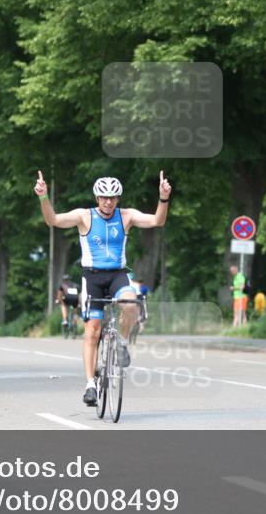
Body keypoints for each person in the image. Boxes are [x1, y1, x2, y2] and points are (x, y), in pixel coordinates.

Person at [35, 170, 171, 407]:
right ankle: (90, 385)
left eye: (113, 197)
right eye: (104, 197)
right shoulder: (84, 216)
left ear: (118, 199)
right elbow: (53, 220)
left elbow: (158, 221)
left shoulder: (126, 216)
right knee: (93, 329)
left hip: (118, 275)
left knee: (131, 305)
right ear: (97, 198)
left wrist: (163, 198)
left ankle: (124, 344)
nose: (108, 202)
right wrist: (44, 197)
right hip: (93, 277)